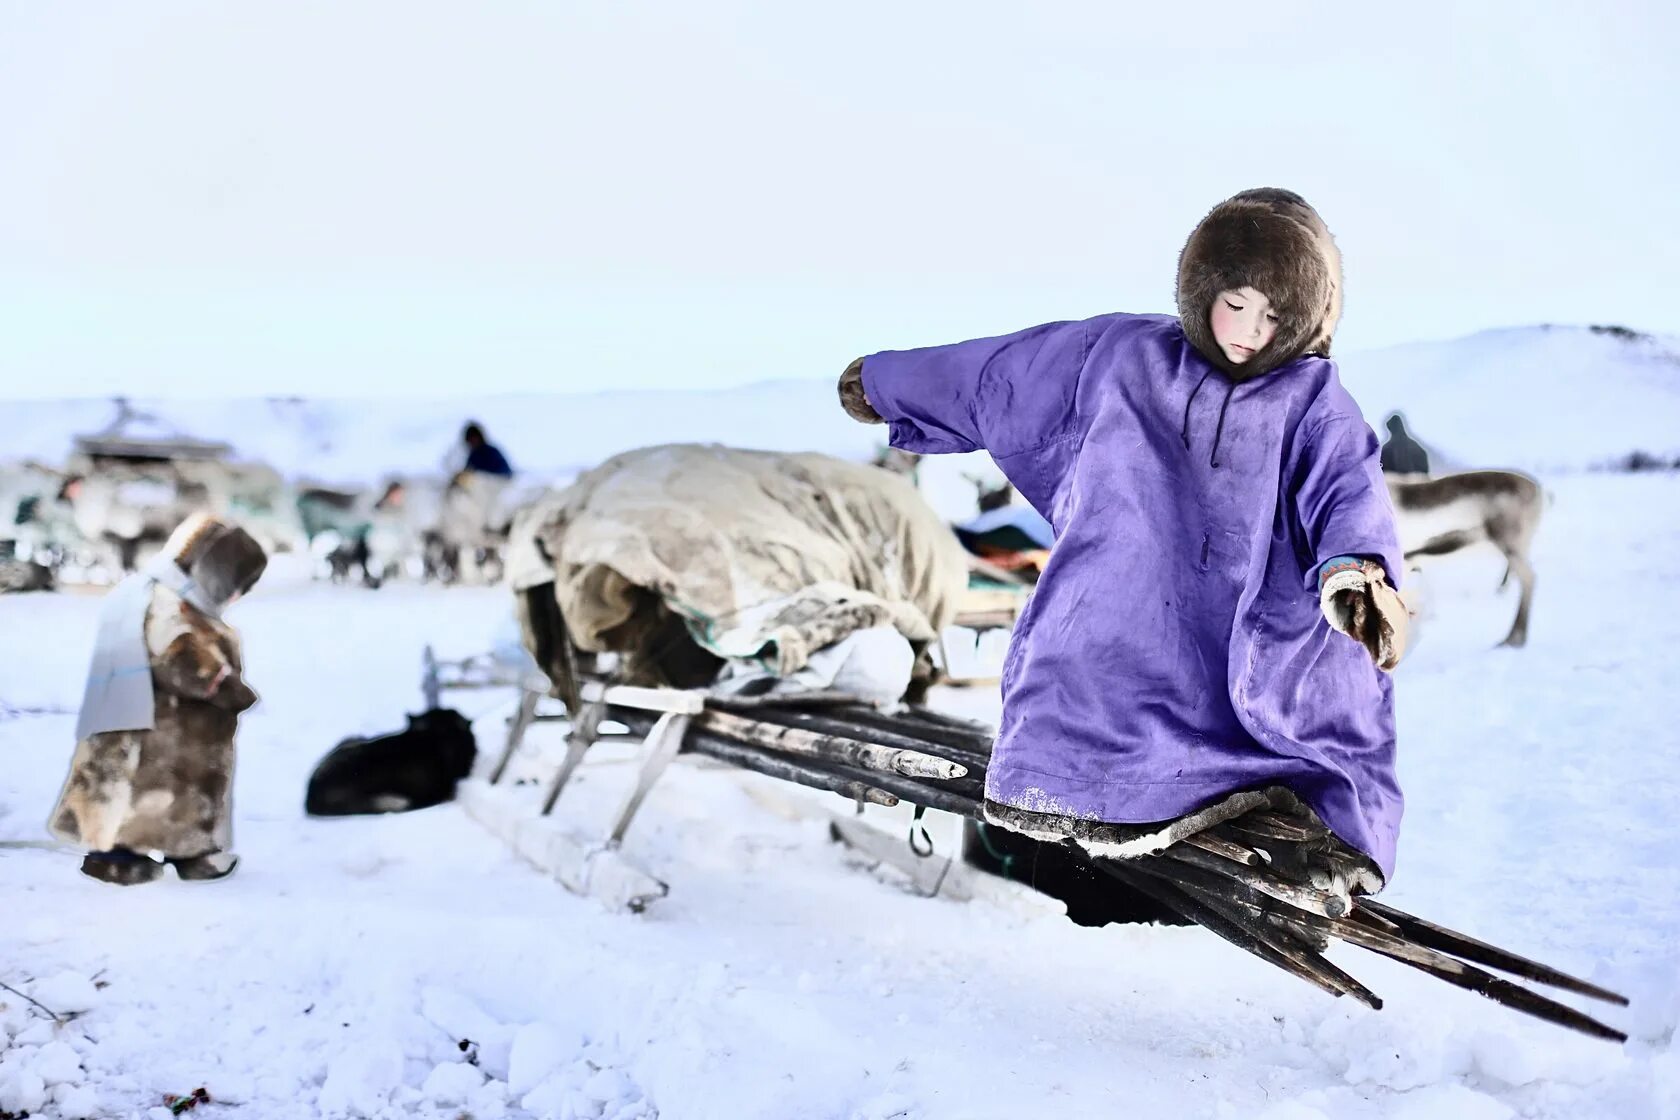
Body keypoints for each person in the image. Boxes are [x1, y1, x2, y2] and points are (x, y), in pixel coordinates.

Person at [838, 188, 1410, 889]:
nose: (1249, 332)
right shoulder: (1122, 357)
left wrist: (1358, 573)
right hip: (1131, 609)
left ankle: (1307, 835)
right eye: (1235, 303)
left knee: (1311, 711)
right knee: (1086, 661)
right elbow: (1001, 373)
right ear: (1201, 290)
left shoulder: (1313, 402)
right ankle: (1087, 798)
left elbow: (1347, 488)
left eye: (1274, 316)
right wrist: (890, 383)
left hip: (1254, 630)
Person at [49, 512, 266, 884]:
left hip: (164, 726)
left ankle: (188, 850)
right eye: (235, 584)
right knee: (148, 792)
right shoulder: (165, 602)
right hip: (166, 730)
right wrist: (224, 686)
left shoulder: (158, 594)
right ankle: (120, 856)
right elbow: (177, 654)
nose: (235, 596)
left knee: (171, 794)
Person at [1379, 411, 1432, 476]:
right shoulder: (1416, 447)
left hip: (1396, 483)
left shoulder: (1386, 449)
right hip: (1417, 483)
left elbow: (1381, 471)